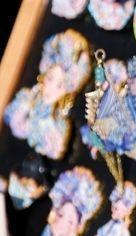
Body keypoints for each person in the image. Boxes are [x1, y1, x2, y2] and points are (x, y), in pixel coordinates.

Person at [4, 30, 90, 160]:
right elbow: (15, 125)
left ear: (69, 90)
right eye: (50, 78)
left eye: (60, 85)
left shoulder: (59, 124)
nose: (51, 89)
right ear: (44, 75)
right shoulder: (25, 99)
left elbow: (56, 151)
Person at [38, 167, 102, 236]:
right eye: (70, 222)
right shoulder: (86, 205)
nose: (63, 223)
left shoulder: (60, 196)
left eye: (61, 216)